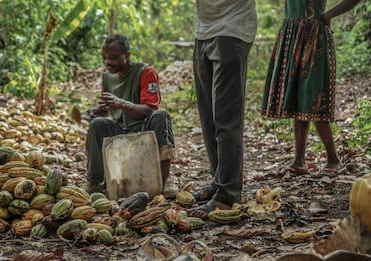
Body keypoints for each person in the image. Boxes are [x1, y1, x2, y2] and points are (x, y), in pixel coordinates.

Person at [262, 0, 361, 177]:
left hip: (315, 35)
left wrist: (327, 15)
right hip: (292, 34)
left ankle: (334, 159)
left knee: (312, 96)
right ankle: (298, 161)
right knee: (298, 96)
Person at [189, 1, 258, 218]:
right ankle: (219, 179)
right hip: (204, 30)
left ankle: (227, 194)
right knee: (208, 117)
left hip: (232, 29)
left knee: (226, 118)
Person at [84, 33, 175, 194]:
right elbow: (108, 112)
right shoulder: (107, 77)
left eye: (113, 57)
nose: (108, 62)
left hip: (143, 129)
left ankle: (165, 180)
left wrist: (121, 103)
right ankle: (94, 181)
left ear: (127, 55)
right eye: (104, 57)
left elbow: (150, 110)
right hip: (121, 129)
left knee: (162, 116)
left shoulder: (145, 72)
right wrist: (97, 111)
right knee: (97, 124)